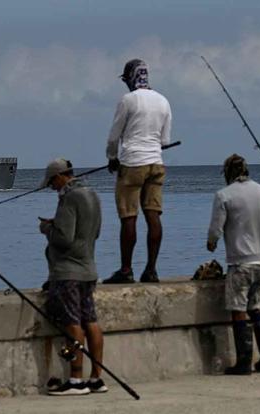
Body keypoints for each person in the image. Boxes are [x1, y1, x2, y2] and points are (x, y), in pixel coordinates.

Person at [39, 158, 107, 396]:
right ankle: (96, 379)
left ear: (59, 177)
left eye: (51, 183)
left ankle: (76, 379)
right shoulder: (92, 195)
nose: (52, 188)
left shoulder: (68, 198)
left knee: (72, 323)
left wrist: (48, 228)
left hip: (68, 272)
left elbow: (64, 238)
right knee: (91, 322)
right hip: (89, 269)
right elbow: (95, 231)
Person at [104, 58, 172, 284]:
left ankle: (126, 270)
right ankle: (151, 270)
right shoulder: (163, 101)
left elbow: (114, 136)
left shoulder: (128, 100)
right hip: (157, 163)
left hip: (132, 163)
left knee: (128, 216)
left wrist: (113, 158)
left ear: (130, 77)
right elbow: (164, 140)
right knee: (153, 215)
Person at [207, 154, 260, 375]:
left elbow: (216, 230)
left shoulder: (224, 195)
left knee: (238, 310)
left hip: (240, 261)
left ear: (227, 173)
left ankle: (244, 361)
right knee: (254, 307)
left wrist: (211, 243)